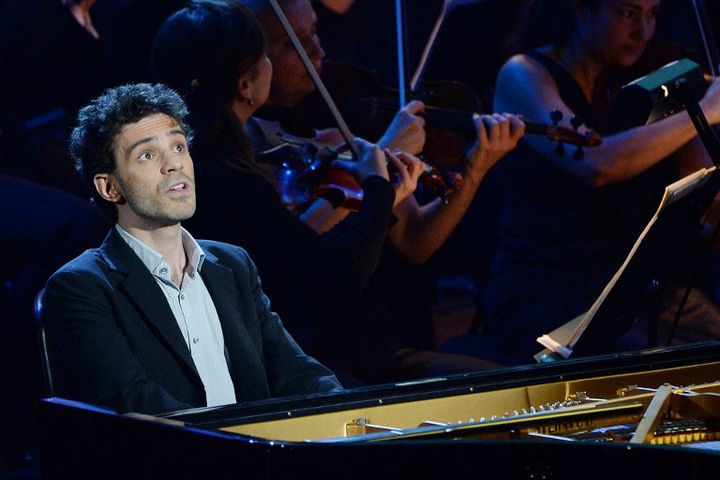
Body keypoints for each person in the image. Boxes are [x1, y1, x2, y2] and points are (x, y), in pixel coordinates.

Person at [152, 0, 519, 382]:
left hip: (354, 345)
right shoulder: (233, 174)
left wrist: (474, 169)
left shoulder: (320, 135)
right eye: (289, 45)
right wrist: (374, 181)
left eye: (315, 32)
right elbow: (319, 273)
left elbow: (414, 241)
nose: (318, 51)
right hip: (316, 359)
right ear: (244, 83)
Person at [42, 83, 342, 415]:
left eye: (179, 147)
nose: (174, 165)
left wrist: (349, 409)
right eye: (148, 155)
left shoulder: (233, 264)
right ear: (110, 187)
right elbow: (135, 402)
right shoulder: (82, 286)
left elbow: (294, 370)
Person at [467, 0, 720, 363]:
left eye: (652, 15)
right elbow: (596, 165)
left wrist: (701, 134)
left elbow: (700, 194)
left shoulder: (645, 81)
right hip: (549, 289)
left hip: (631, 283)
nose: (643, 32)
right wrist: (708, 109)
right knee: (647, 363)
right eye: (629, 13)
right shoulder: (524, 73)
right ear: (582, 10)